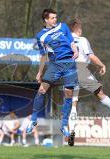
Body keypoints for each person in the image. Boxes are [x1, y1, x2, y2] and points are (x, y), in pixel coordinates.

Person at [67, 19, 110, 146]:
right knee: (99, 93)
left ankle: (71, 131)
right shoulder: (82, 40)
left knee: (73, 104)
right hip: (81, 70)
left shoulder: (64, 40)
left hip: (68, 71)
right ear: (78, 29)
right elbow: (91, 56)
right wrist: (101, 65)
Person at [26, 8, 79, 137]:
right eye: (52, 18)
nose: (55, 19)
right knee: (41, 90)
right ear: (46, 20)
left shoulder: (63, 26)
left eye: (56, 17)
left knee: (68, 94)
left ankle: (64, 125)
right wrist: (39, 72)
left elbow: (71, 42)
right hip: (55, 65)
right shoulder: (41, 36)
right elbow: (43, 55)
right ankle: (33, 120)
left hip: (69, 64)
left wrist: (75, 50)